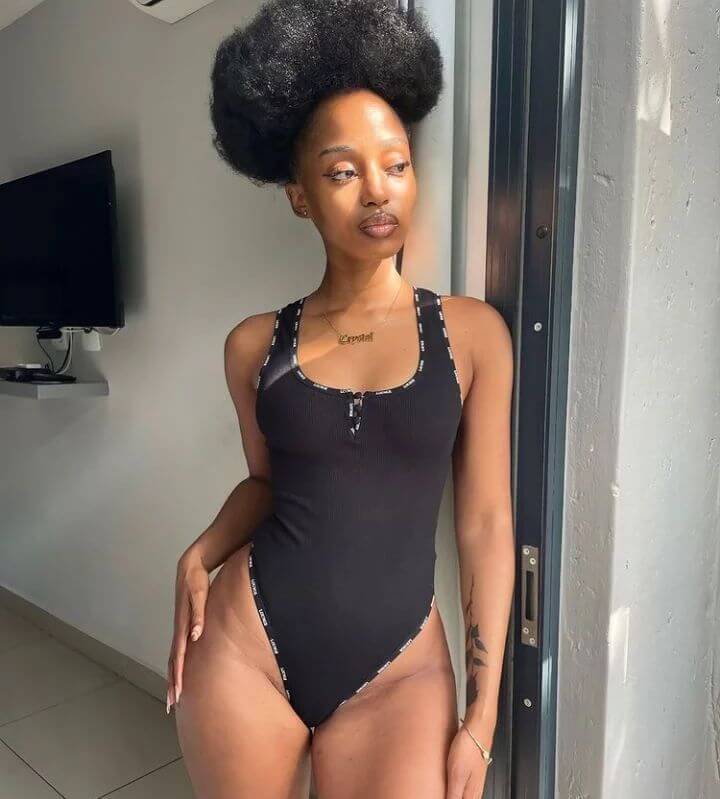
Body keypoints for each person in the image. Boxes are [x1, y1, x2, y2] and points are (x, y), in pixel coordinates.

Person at [167, 1, 515, 796]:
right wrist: (201, 551)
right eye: (342, 171)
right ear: (300, 196)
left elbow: (487, 523)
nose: (377, 191)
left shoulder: (473, 336)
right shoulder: (254, 346)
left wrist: (483, 713)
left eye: (395, 164)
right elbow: (266, 485)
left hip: (400, 673)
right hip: (247, 649)